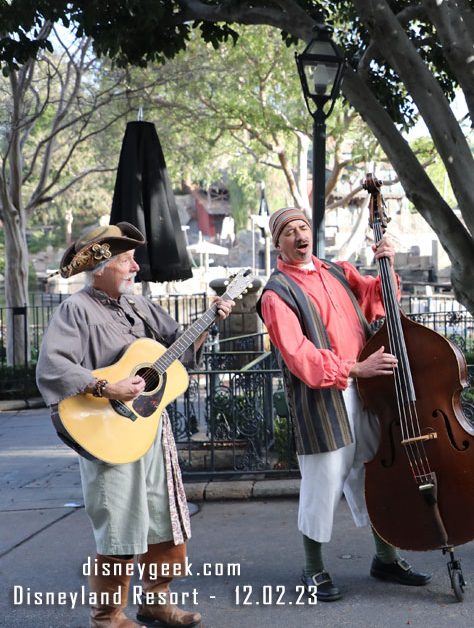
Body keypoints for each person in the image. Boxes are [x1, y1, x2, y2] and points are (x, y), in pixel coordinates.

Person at [36, 223, 234, 628]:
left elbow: (178, 347)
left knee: (162, 519)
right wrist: (106, 386)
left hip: (150, 430)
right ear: (99, 266)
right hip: (106, 433)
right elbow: (52, 366)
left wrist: (210, 320)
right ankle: (107, 616)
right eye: (126, 260)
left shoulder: (140, 306)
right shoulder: (76, 309)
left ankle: (155, 602)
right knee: (120, 523)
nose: (135, 267)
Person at [258, 207, 431, 602]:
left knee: (375, 473)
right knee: (323, 482)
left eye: (303, 227)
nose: (299, 235)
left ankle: (385, 559)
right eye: (288, 231)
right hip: (323, 394)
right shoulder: (276, 293)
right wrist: (355, 368)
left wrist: (385, 263)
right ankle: (313, 568)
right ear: (277, 243)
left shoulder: (337, 270)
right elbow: (299, 356)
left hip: (366, 387)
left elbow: (374, 299)